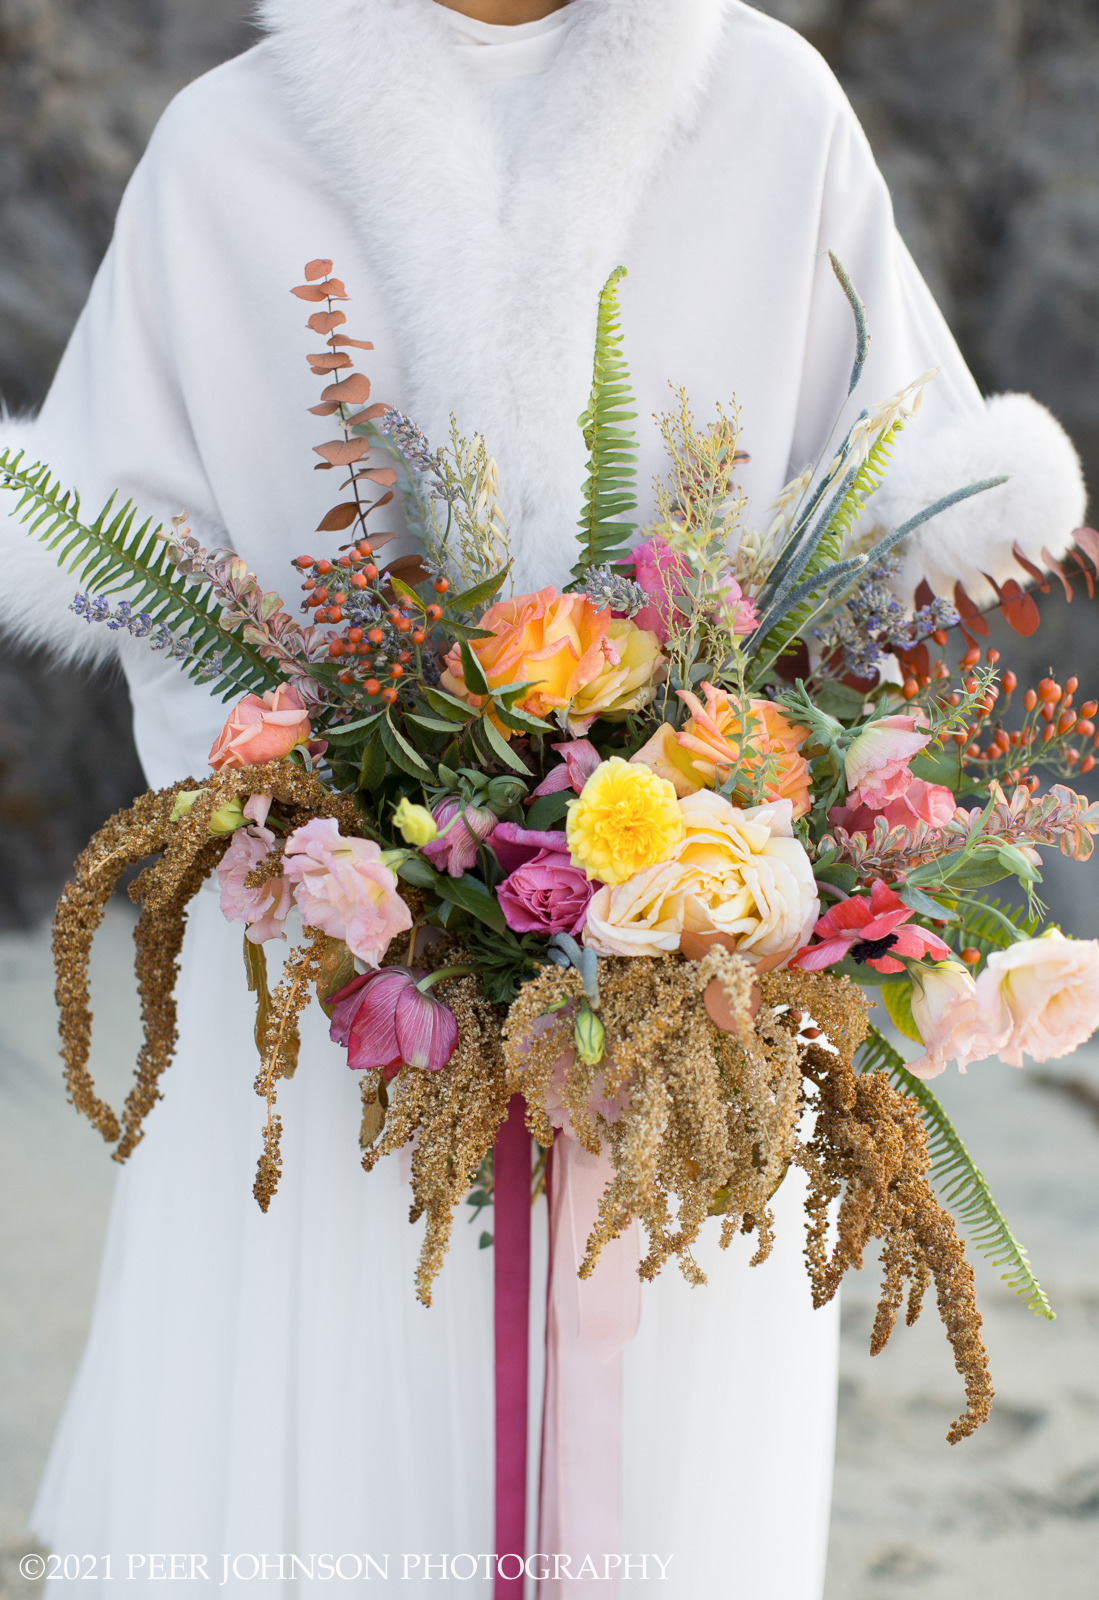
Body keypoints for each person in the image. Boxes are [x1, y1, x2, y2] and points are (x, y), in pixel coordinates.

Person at [0, 1, 1085, 1595]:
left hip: (689, 1019)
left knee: (664, 1481)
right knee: (338, 1464)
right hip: (333, 998)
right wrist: (344, 828)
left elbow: (885, 542)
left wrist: (726, 821)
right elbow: (144, 581)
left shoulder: (768, 107)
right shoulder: (229, 149)